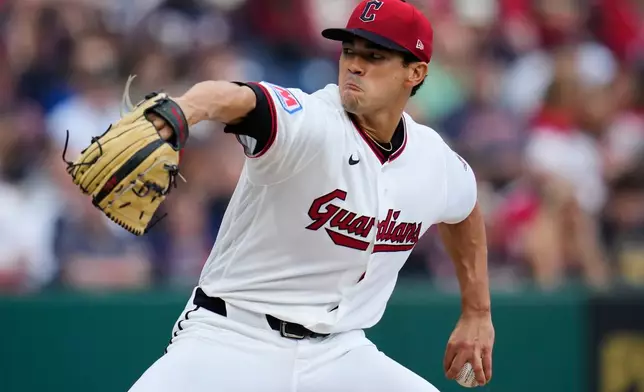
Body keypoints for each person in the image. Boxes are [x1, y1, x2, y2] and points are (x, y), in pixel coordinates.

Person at [130, 1, 494, 391]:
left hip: (338, 352)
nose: (355, 64)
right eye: (350, 50)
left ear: (415, 72)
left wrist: (477, 310)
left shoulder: (431, 159)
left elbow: (465, 210)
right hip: (232, 335)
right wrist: (185, 110)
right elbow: (238, 99)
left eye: (374, 56)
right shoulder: (311, 121)